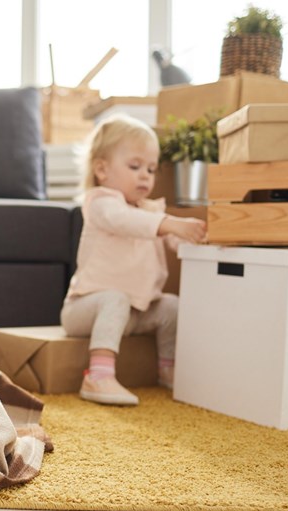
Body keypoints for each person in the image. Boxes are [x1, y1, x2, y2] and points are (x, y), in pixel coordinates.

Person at [61, 114, 207, 406]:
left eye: (151, 169)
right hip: (85, 309)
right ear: (101, 169)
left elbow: (171, 239)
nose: (145, 176)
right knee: (114, 298)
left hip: (134, 311)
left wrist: (195, 238)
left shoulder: (149, 211)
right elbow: (126, 221)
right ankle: (98, 376)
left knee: (171, 306)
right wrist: (169, 223)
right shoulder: (100, 203)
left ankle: (168, 369)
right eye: (135, 166)